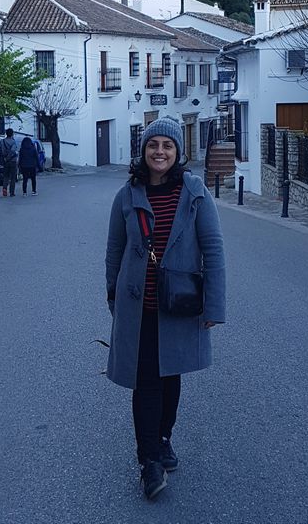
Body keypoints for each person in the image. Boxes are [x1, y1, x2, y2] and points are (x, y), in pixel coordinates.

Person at [105, 116, 226, 501]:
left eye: (167, 146)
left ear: (178, 152)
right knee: (145, 382)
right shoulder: (128, 194)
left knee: (171, 376)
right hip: (138, 308)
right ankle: (149, 461)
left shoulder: (193, 191)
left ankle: (163, 438)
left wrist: (215, 305)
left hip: (179, 304)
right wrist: (113, 294)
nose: (160, 152)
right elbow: (115, 249)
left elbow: (214, 249)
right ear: (144, 150)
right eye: (153, 145)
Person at [0, 128, 18, 198]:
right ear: (12, 134)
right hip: (12, 161)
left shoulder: (2, 141)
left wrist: (4, 157)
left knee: (6, 176)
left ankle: (4, 188)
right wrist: (9, 157)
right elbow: (13, 151)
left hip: (5, 161)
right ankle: (12, 192)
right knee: (12, 177)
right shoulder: (13, 142)